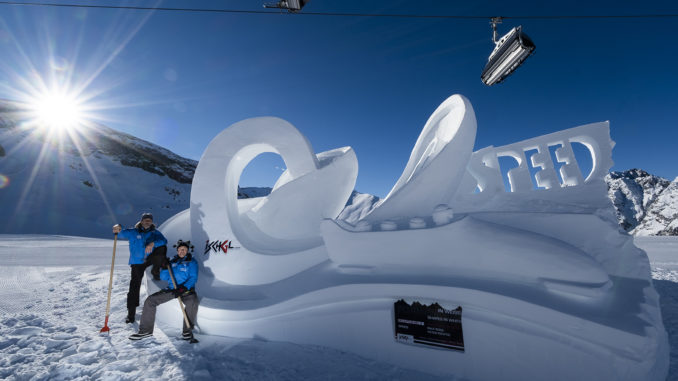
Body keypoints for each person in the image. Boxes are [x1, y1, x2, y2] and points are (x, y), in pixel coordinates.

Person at [129, 240, 199, 341]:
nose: (182, 251)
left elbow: (193, 277)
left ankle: (187, 331)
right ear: (177, 250)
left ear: (187, 251)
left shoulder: (191, 262)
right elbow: (163, 277)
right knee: (150, 300)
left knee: (193, 302)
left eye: (184, 249)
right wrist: (164, 267)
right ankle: (145, 331)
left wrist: (183, 288)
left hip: (186, 290)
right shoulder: (172, 262)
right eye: (180, 249)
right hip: (172, 290)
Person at [112, 212, 168, 324]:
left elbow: (164, 241)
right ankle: (131, 314)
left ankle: (156, 270)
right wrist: (117, 227)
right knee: (134, 287)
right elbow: (120, 233)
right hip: (137, 263)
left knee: (162, 248)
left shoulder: (155, 233)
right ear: (141, 221)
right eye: (146, 220)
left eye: (150, 220)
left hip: (148, 259)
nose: (148, 222)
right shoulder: (133, 232)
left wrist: (153, 243)